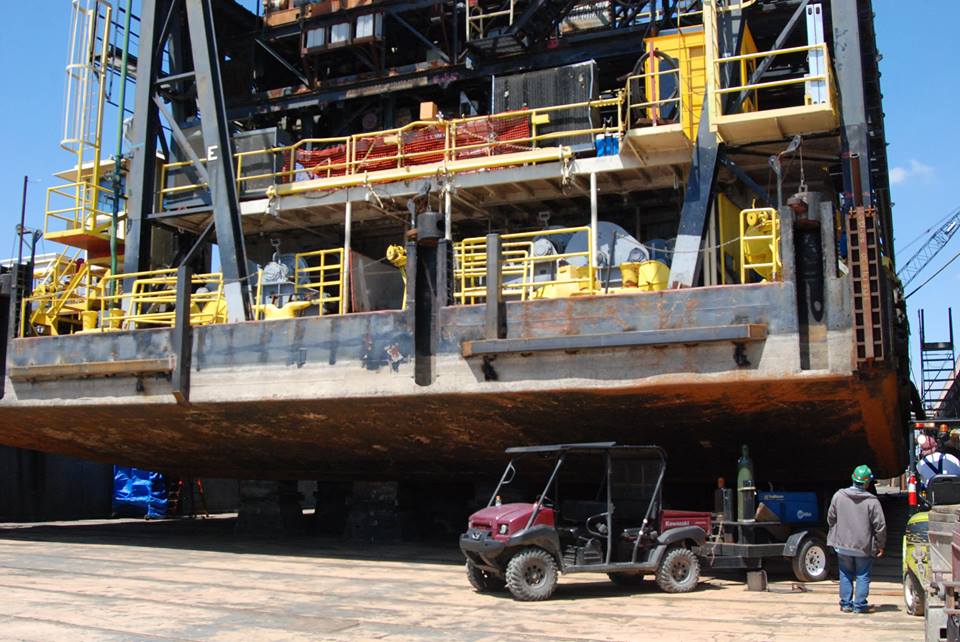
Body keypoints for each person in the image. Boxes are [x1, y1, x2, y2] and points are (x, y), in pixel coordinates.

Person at [826, 465, 887, 614]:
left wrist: (838, 533)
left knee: (845, 573)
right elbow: (880, 526)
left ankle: (846, 604)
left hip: (842, 545)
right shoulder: (872, 501)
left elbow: (830, 518)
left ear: (853, 478)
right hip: (863, 547)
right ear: (867, 483)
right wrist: (880, 544)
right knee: (862, 575)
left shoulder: (838, 496)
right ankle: (859, 606)